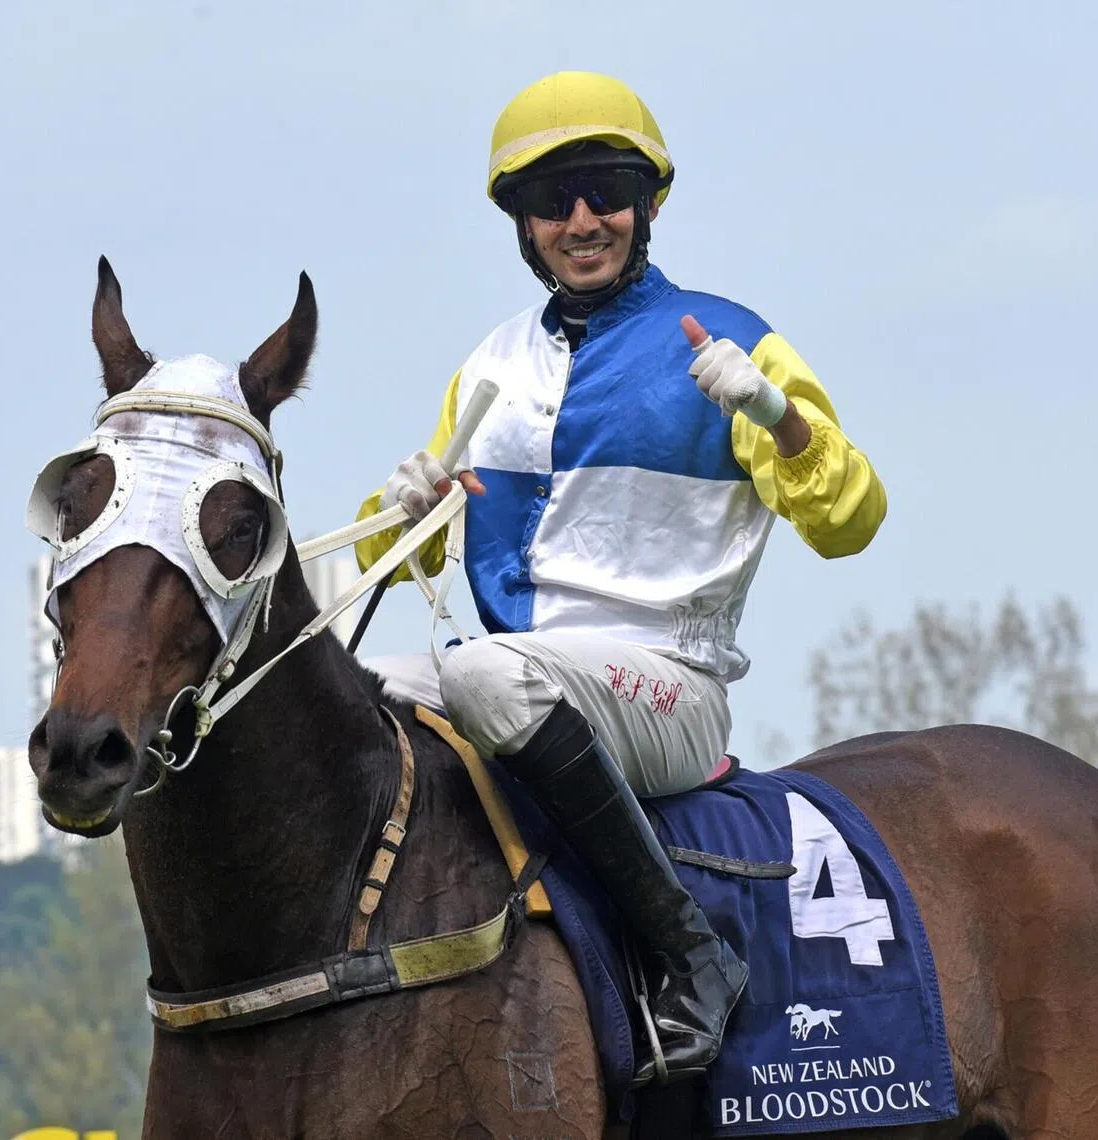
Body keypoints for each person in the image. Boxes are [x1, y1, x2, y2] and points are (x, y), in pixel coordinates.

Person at [354, 71, 887, 1084]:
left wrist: (779, 417)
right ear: (521, 222)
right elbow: (420, 557)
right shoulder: (488, 367)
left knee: (486, 678)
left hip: (666, 690)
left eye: (604, 188)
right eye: (553, 200)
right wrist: (406, 513)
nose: (582, 219)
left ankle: (694, 955)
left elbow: (852, 521)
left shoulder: (733, 340)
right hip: (525, 676)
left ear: (649, 202)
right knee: (343, 698)